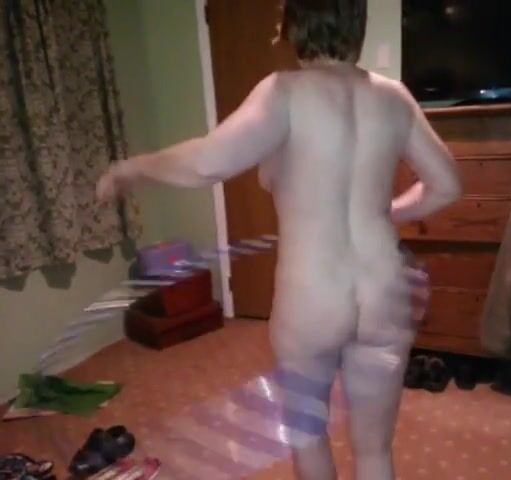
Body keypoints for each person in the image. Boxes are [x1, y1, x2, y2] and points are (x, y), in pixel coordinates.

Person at [97, 1, 461, 478]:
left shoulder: (283, 93)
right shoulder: (396, 98)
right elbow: (447, 186)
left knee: (308, 439)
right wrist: (387, 212)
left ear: (292, 25)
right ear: (358, 22)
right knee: (374, 450)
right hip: (384, 291)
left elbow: (206, 163)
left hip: (313, 297)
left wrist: (132, 168)